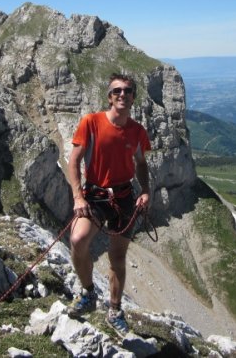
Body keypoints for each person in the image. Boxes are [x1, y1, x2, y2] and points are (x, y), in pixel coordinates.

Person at [66, 72, 151, 334]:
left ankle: (114, 310)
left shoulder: (137, 131)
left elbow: (141, 163)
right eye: (117, 91)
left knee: (118, 256)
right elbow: (74, 160)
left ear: (133, 97)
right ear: (109, 96)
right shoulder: (91, 122)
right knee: (78, 239)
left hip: (125, 197)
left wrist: (146, 190)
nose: (122, 94)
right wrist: (78, 196)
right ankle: (89, 293)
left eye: (127, 90)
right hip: (95, 195)